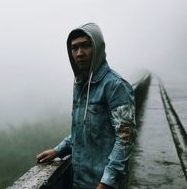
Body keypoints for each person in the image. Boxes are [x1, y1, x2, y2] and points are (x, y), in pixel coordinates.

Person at [36, 22, 136, 189]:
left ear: (98, 48)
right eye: (74, 48)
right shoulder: (80, 85)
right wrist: (58, 150)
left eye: (85, 46)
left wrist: (107, 181)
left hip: (104, 184)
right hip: (80, 181)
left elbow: (125, 139)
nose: (79, 53)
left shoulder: (115, 86)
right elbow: (81, 130)